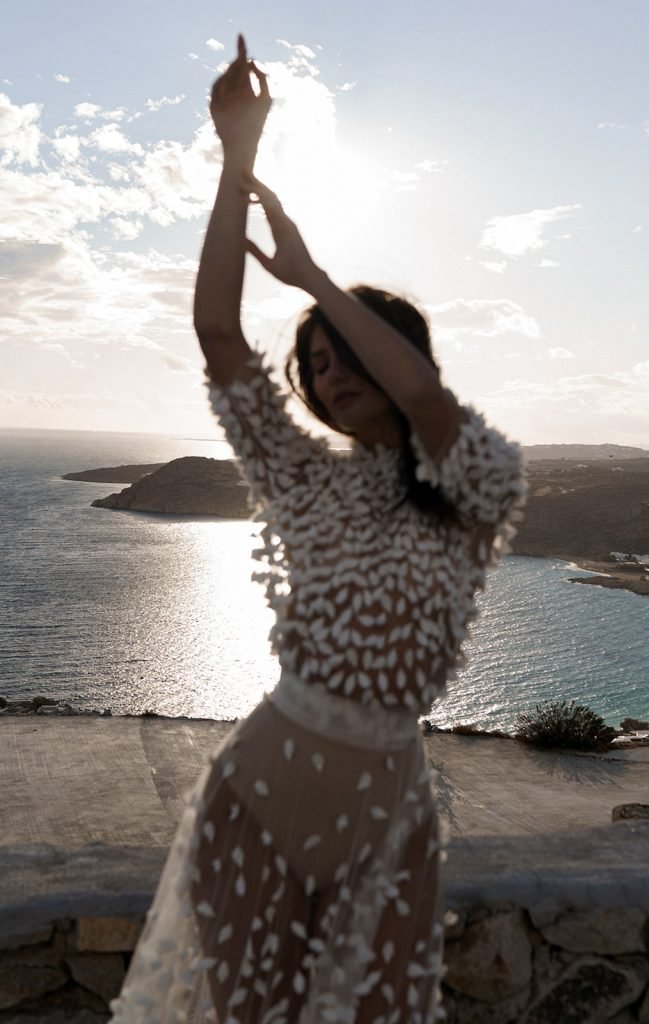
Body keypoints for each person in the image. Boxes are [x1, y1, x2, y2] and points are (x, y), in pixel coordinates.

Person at [111, 35, 524, 1024]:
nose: (329, 370)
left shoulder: (479, 485)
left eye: (346, 352)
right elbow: (217, 334)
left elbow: (425, 396)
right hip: (259, 792)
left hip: (390, 814)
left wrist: (314, 278)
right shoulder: (299, 479)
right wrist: (236, 162)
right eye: (316, 362)